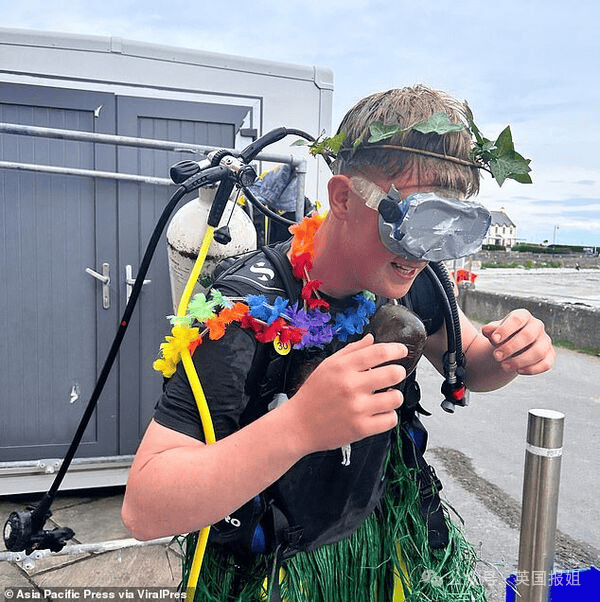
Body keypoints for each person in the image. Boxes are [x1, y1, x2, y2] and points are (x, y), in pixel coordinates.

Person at [122, 84, 555, 601]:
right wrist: (300, 425)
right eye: (414, 223)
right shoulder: (240, 311)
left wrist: (510, 352)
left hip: (384, 544)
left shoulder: (415, 278)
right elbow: (144, 506)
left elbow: (469, 360)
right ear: (344, 198)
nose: (423, 251)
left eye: (448, 229)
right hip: (276, 571)